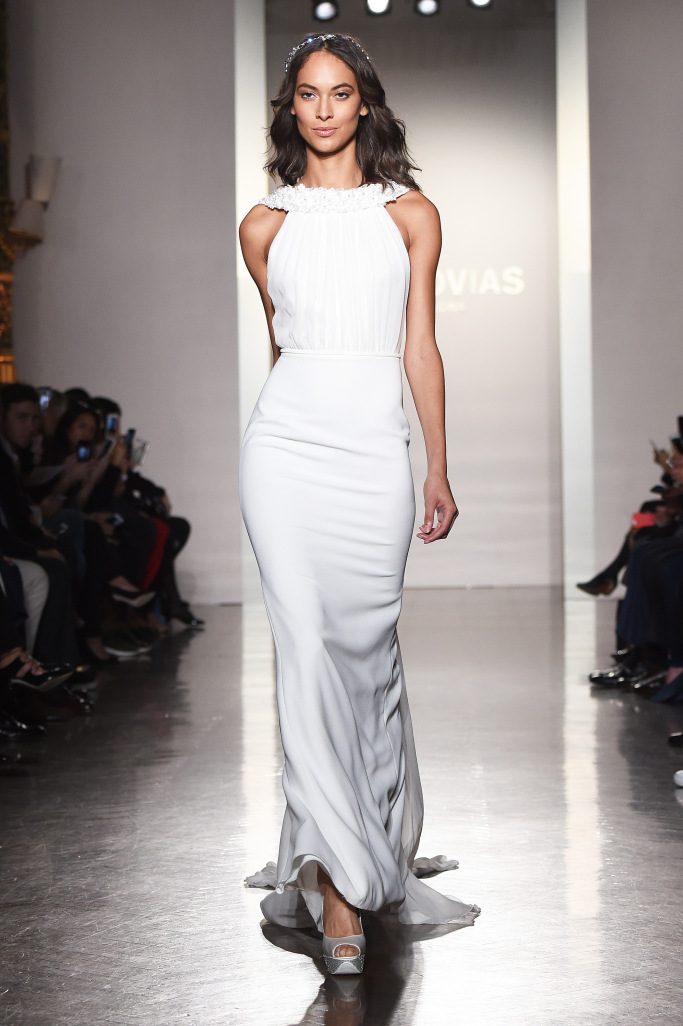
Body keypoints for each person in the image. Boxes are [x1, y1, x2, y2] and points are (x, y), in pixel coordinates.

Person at [238, 32, 480, 976]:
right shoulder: (262, 225)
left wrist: (436, 467)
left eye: (340, 93)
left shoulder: (409, 214)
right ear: (290, 109)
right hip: (285, 447)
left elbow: (419, 345)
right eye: (308, 94)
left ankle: (375, 832)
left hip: (375, 449)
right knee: (303, 652)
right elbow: (282, 346)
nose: (325, 109)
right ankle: (335, 888)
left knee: (364, 655)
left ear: (365, 103)